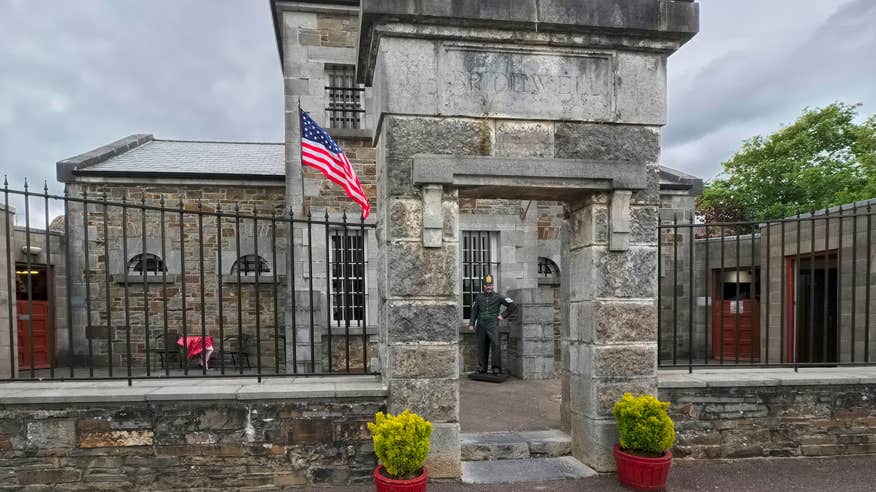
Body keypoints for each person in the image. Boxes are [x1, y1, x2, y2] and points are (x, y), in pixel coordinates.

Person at [468, 274, 517, 375]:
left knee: (495, 346)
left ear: (492, 285)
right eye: (486, 285)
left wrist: (503, 315)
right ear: (483, 286)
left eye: (490, 285)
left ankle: (496, 368)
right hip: (481, 325)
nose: (488, 287)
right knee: (482, 347)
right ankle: (482, 368)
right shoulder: (478, 297)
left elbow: (513, 305)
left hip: (492, 325)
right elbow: (474, 311)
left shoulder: (498, 297)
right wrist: (471, 323)